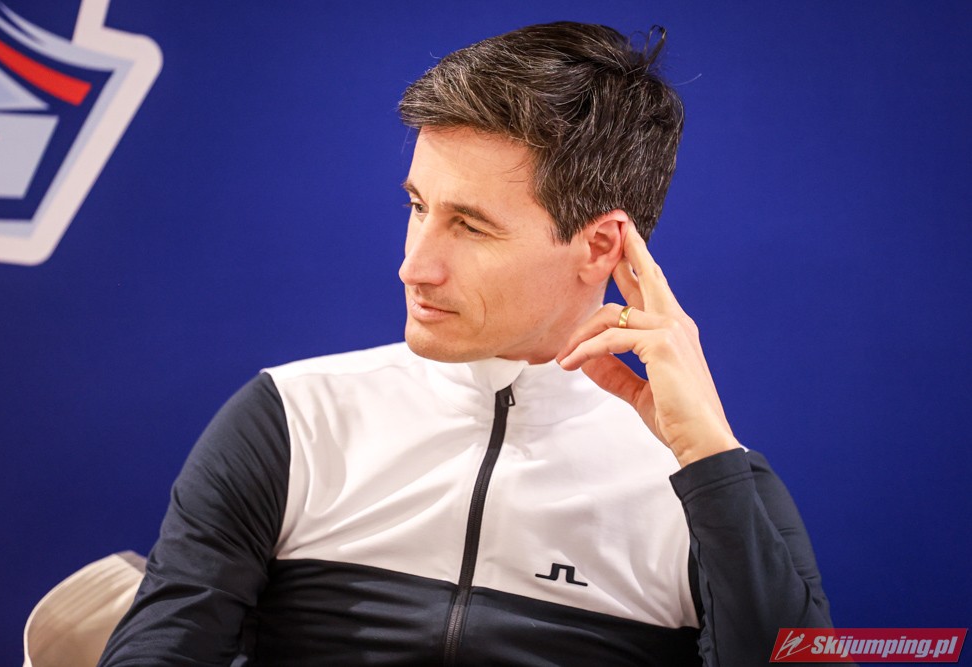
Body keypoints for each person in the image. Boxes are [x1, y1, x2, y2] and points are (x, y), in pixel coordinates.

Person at [99, 21, 831, 666]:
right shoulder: (291, 420)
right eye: (418, 207)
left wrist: (705, 454)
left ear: (599, 246)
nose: (414, 266)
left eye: (470, 226)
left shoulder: (712, 483)